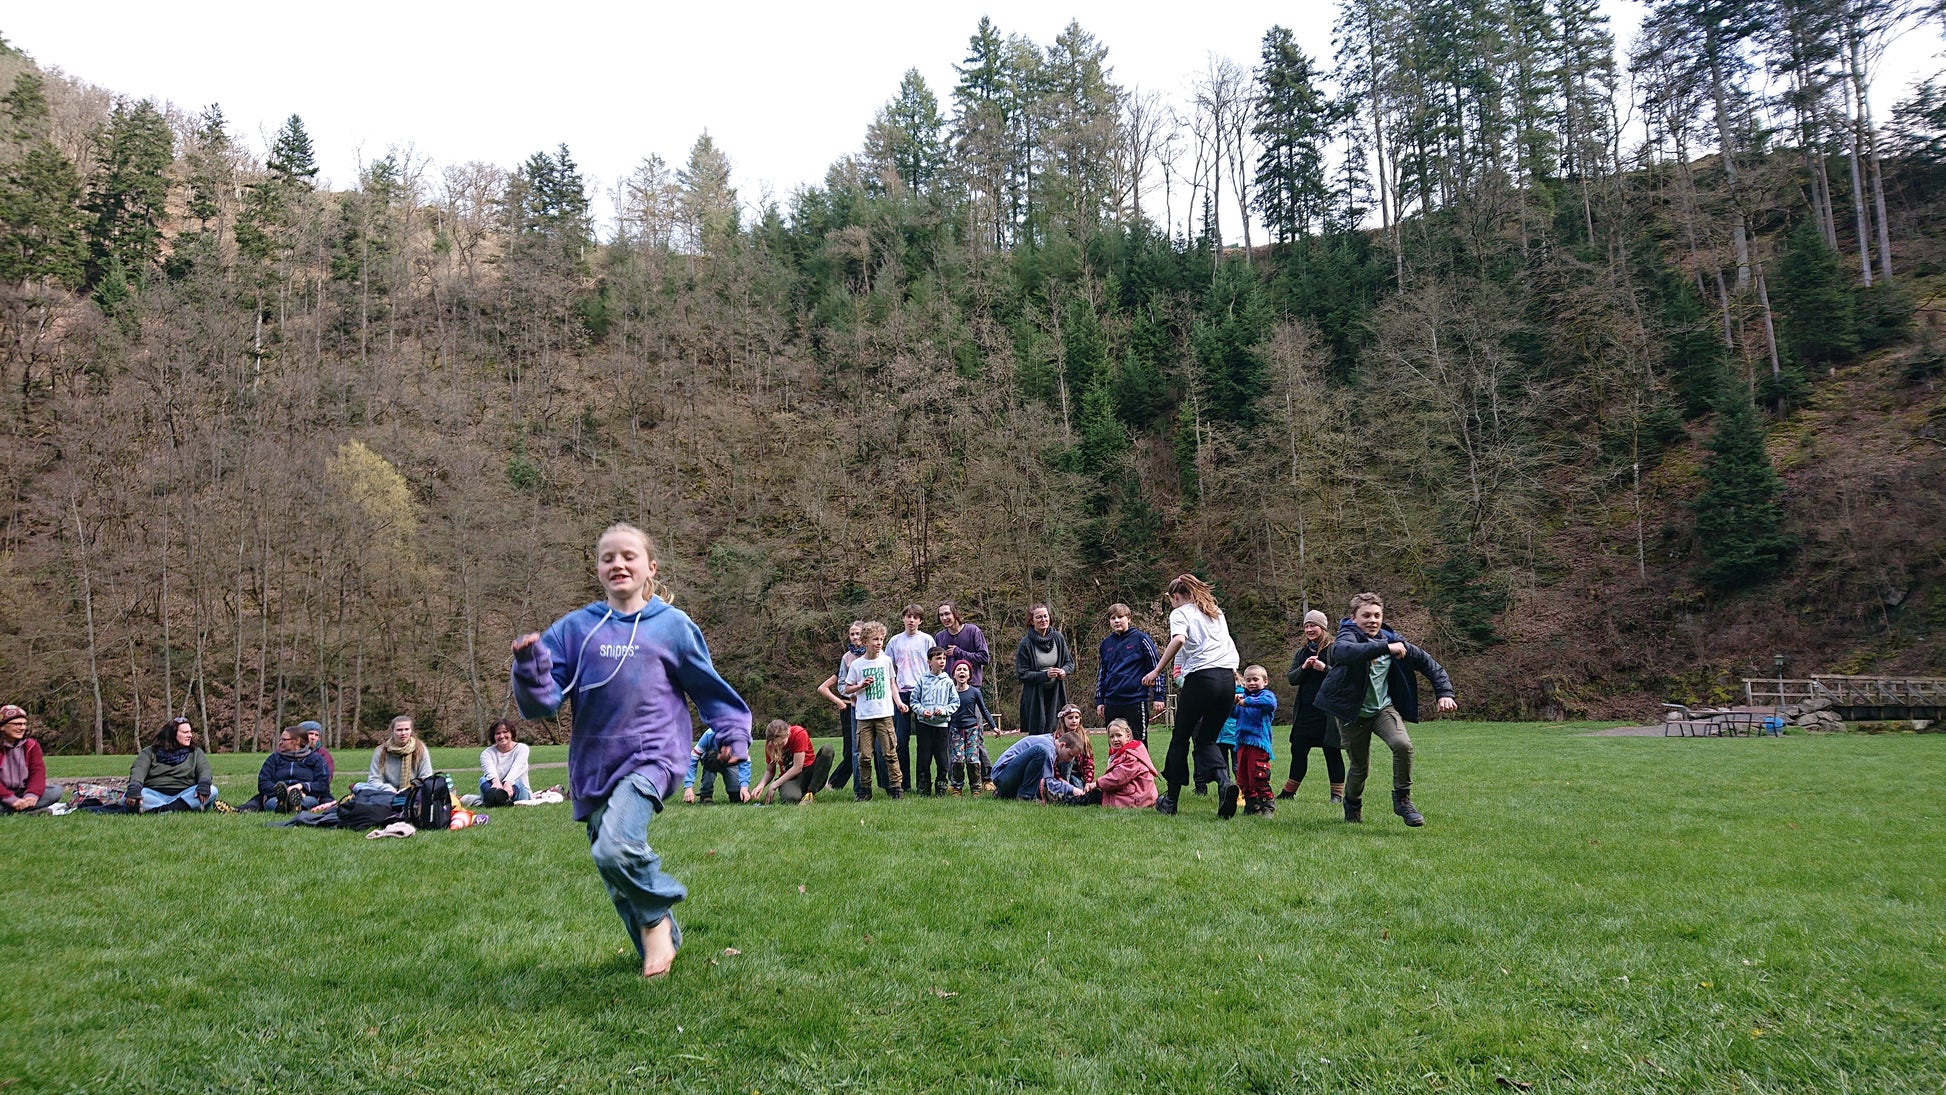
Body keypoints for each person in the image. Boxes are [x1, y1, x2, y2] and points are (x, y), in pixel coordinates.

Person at [512, 522, 752, 978]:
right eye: (608, 558)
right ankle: (656, 939)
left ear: (650, 568)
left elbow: (710, 690)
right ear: (598, 570)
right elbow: (542, 703)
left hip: (653, 755)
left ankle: (657, 918)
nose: (618, 564)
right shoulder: (576, 628)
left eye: (629, 556)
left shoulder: (673, 626)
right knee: (612, 865)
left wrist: (733, 736)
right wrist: (529, 666)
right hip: (593, 763)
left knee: (614, 848)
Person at [1316, 592, 1457, 827]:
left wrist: (1445, 693)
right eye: (1366, 615)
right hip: (1352, 713)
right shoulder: (1346, 637)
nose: (1373, 620)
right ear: (1353, 618)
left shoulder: (1392, 638)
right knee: (1360, 768)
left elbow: (1427, 662)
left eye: (1377, 615)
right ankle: (1352, 804)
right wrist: (1385, 648)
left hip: (1382, 708)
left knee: (1403, 745)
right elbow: (1343, 653)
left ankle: (1402, 799)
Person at [1141, 574, 1241, 819]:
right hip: (1227, 680)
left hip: (1201, 679)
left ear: (1175, 597)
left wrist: (1156, 670)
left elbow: (1179, 639)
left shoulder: (1180, 613)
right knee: (1207, 739)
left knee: (1180, 737)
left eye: (1171, 601)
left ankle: (1171, 800)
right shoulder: (1215, 611)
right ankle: (1224, 782)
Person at [1281, 610, 1345, 804]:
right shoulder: (1302, 652)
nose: (1309, 629)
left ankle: (1336, 796)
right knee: (1298, 750)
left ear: (1322, 628)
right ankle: (1288, 793)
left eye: (1313, 626)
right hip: (1305, 710)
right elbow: (1291, 678)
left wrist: (1324, 668)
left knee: (1332, 751)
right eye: (1306, 626)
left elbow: (1344, 678)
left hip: (1328, 713)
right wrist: (1304, 668)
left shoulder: (1335, 650)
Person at [840, 621, 906, 800]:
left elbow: (892, 683)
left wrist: (898, 702)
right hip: (864, 716)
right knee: (864, 757)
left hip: (884, 715)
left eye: (881, 639)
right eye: (875, 639)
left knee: (890, 753)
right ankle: (864, 790)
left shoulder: (886, 660)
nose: (879, 643)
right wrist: (860, 685)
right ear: (864, 641)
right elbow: (847, 688)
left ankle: (896, 788)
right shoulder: (857, 665)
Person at [1095, 604, 1166, 744]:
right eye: (1112, 618)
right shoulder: (1106, 644)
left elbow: (1156, 668)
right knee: (1115, 743)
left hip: (1135, 700)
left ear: (1129, 619)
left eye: (1120, 617)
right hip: (1112, 700)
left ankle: (1141, 767)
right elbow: (1102, 673)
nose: (1116, 621)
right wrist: (1099, 700)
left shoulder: (1141, 639)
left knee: (1138, 742)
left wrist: (1158, 696)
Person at [886, 605, 937, 794]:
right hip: (901, 693)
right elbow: (888, 668)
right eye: (908, 616)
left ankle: (923, 785)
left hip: (923, 693)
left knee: (924, 742)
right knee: (901, 741)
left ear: (920, 621)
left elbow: (935, 666)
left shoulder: (927, 640)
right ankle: (904, 783)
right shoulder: (894, 641)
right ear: (903, 619)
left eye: (916, 617)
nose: (911, 620)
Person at [128, 717, 217, 812]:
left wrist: (204, 785)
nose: (190, 735)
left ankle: (164, 810)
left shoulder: (196, 752)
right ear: (173, 734)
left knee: (213, 790)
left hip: (185, 794)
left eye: (190, 732)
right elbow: (138, 770)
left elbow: (204, 770)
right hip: (154, 794)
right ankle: (182, 808)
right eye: (185, 732)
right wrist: (134, 789)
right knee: (134, 796)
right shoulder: (149, 752)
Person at [1013, 604, 1074, 737]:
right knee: (1038, 735)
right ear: (1031, 621)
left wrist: (1064, 671)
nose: (1043, 620)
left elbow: (1069, 663)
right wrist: (1044, 675)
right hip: (1035, 697)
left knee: (1058, 732)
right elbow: (1021, 673)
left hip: (1056, 694)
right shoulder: (1026, 643)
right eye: (1038, 617)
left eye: (1045, 616)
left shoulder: (1058, 638)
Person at [243, 725, 331, 812]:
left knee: (308, 801)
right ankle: (287, 805)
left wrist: (302, 787)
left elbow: (323, 784)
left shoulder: (315, 759)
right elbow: (263, 783)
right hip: (276, 797)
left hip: (305, 796)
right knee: (272, 803)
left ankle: (291, 806)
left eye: (284, 740)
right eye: (280, 739)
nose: (280, 742)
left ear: (297, 741)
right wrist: (285, 791)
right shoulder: (274, 759)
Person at [910, 646, 959, 796]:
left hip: (941, 726)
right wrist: (921, 710)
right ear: (929, 661)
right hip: (924, 725)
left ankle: (941, 786)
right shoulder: (922, 680)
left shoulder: (948, 682)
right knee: (924, 757)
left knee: (942, 758)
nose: (942, 661)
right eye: (938, 658)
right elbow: (913, 701)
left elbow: (955, 703)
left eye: (944, 658)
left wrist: (943, 711)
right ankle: (923, 787)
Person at [1232, 666, 1279, 817]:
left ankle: (1267, 804)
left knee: (1258, 774)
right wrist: (1232, 703)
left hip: (1258, 743)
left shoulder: (1266, 696)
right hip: (1242, 742)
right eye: (1248, 680)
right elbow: (1234, 714)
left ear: (1265, 681)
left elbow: (1269, 703)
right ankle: (1252, 804)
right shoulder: (1241, 697)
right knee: (1242, 777)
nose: (1251, 683)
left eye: (1255, 679)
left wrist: (1247, 702)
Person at [748, 719, 832, 805]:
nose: (778, 747)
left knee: (827, 750)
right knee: (790, 799)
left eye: (781, 744)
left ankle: (810, 793)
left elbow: (797, 767)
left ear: (788, 734)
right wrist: (760, 786)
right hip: (791, 778)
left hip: (809, 772)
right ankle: (799, 792)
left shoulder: (798, 733)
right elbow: (770, 770)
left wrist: (774, 785)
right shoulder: (770, 744)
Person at [989, 730, 1084, 801]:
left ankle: (1008, 793)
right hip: (1002, 777)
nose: (1070, 760)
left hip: (1007, 777)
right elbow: (1047, 782)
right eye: (1070, 755)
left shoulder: (1050, 741)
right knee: (1040, 750)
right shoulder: (1048, 748)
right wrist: (1073, 790)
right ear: (1063, 745)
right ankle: (1025, 797)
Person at [1, 704, 63, 814]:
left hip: (23, 793)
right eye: (17, 724)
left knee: (55, 791)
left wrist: (32, 795)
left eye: (24, 724)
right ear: (2, 726)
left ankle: (18, 809)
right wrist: (9, 798)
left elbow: (37, 772)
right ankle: (26, 811)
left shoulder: (31, 746)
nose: (22, 728)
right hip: (3, 795)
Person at [944, 661, 995, 795]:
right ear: (953, 675)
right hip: (956, 730)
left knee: (973, 760)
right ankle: (956, 787)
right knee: (957, 760)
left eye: (965, 670)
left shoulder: (975, 692)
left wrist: (994, 727)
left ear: (969, 675)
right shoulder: (950, 692)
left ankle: (976, 788)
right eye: (959, 669)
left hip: (972, 730)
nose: (962, 672)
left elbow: (984, 710)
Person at [356, 715, 432, 795]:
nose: (403, 733)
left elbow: (426, 777)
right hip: (386, 792)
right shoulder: (381, 751)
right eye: (399, 730)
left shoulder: (420, 749)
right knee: (359, 786)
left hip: (413, 792)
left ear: (411, 731)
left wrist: (409, 789)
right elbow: (374, 779)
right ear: (392, 731)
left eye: (406, 729)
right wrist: (387, 788)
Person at [1095, 718, 1158, 808]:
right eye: (1111, 737)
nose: (1115, 739)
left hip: (1139, 796)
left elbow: (1118, 778)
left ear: (1128, 736)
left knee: (1096, 796)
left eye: (1119, 735)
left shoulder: (1131, 755)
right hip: (1138, 792)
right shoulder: (1120, 752)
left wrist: (1097, 783)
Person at [680, 726, 750, 804]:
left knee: (738, 799)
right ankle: (706, 794)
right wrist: (688, 787)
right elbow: (692, 758)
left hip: (731, 763)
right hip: (710, 759)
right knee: (711, 757)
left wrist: (744, 786)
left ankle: (735, 792)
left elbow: (745, 763)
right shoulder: (709, 734)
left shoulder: (741, 740)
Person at [934, 601, 990, 689]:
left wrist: (959, 652)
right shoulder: (940, 637)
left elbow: (984, 658)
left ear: (955, 613)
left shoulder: (973, 631)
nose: (944, 618)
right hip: (947, 688)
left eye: (947, 614)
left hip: (971, 687)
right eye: (941, 615)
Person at [480, 719, 533, 807]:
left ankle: (499, 799)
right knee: (483, 780)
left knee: (516, 782)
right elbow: (490, 773)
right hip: (496, 787)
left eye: (505, 732)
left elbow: (517, 769)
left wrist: (507, 783)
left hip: (518, 790)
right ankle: (496, 798)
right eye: (498, 733)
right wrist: (496, 784)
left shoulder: (522, 749)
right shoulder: (486, 753)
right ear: (493, 736)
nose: (501, 736)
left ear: (511, 733)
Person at [1053, 704, 1096, 788]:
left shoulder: (1084, 738)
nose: (1074, 720)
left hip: (1075, 776)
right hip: (1059, 777)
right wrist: (1059, 778)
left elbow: (1088, 762)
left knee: (1080, 788)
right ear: (1063, 719)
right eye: (1070, 718)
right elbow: (1052, 763)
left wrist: (1088, 782)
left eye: (1077, 718)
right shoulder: (1057, 738)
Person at [302, 721, 335, 785]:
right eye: (310, 733)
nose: (313, 737)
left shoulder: (323, 753)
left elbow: (328, 775)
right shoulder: (288, 750)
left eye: (316, 735)